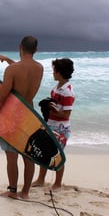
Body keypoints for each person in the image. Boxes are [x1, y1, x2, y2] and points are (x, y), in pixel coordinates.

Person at [0, 36, 43, 199]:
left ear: (20, 47)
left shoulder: (12, 70)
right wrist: (8, 60)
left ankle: (12, 190)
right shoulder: (40, 68)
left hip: (13, 115)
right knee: (28, 155)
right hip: (30, 115)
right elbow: (23, 76)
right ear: (35, 50)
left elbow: (1, 96)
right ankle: (25, 193)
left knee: (11, 155)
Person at [32, 58, 75, 190]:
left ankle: (57, 183)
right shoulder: (56, 88)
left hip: (61, 129)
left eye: (54, 70)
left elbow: (66, 115)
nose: (53, 73)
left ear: (59, 72)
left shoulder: (67, 92)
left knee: (58, 154)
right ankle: (40, 179)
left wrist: (51, 110)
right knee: (45, 152)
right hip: (50, 124)